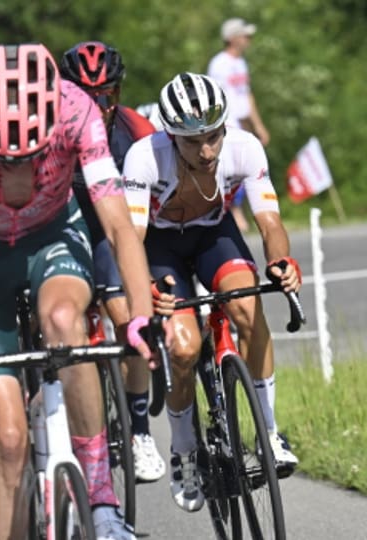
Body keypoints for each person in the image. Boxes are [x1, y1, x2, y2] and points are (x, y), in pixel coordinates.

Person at [0, 43, 160, 540]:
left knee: (62, 321)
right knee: (8, 442)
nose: (17, 171)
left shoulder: (76, 108)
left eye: (33, 155)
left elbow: (118, 227)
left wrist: (140, 315)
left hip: (52, 235)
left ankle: (101, 502)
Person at [123, 72, 300, 512]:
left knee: (247, 306)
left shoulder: (243, 147)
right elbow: (132, 237)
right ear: (170, 136)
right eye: (190, 142)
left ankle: (269, 431)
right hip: (159, 244)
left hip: (211, 235)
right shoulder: (144, 157)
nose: (205, 151)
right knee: (182, 350)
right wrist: (144, 290)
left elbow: (270, 221)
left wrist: (281, 263)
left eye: (212, 137)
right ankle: (183, 450)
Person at [59, 40, 166, 483]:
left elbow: (162, 188)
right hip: (66, 227)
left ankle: (139, 430)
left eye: (107, 96)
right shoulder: (48, 130)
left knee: (126, 318)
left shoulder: (136, 128)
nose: (97, 106)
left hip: (115, 228)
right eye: (86, 97)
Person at [208, 17, 268, 233]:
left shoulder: (241, 63)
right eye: (245, 36)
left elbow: (246, 95)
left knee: (245, 168)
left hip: (242, 124)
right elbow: (215, 97)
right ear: (232, 38)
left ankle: (242, 211)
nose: (248, 39)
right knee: (229, 169)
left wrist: (258, 125)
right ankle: (233, 212)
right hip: (228, 124)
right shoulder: (219, 64)